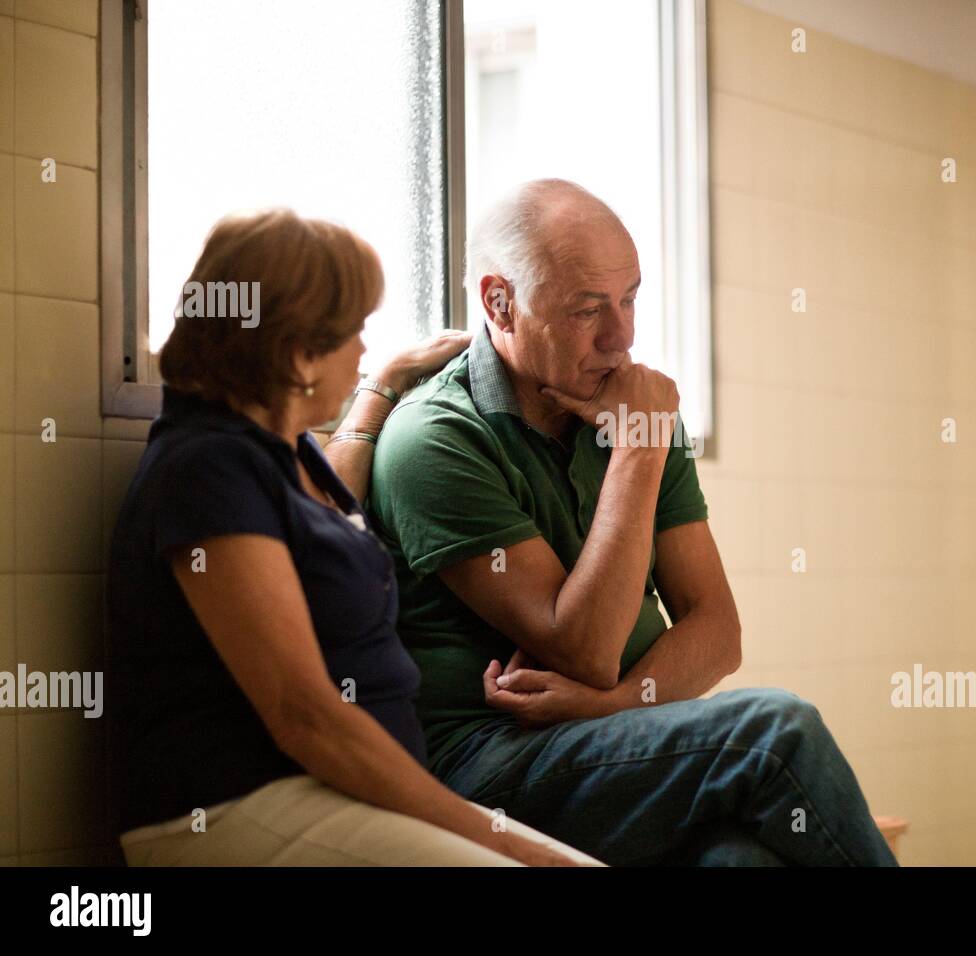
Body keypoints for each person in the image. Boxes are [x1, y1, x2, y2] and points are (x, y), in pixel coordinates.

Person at [368, 180, 899, 866]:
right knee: (774, 731)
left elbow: (717, 631)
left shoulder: (635, 409)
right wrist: (641, 448)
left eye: (630, 299)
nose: (620, 337)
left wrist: (606, 705)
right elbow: (582, 646)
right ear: (500, 302)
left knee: (742, 862)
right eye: (588, 309)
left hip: (612, 743)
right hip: (485, 767)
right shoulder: (435, 439)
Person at [106, 209, 601, 866]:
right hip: (240, 804)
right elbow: (304, 715)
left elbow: (326, 535)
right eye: (354, 334)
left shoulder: (287, 454)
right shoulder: (207, 467)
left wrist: (384, 387)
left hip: (336, 792)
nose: (366, 350)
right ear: (299, 353)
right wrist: (496, 837)